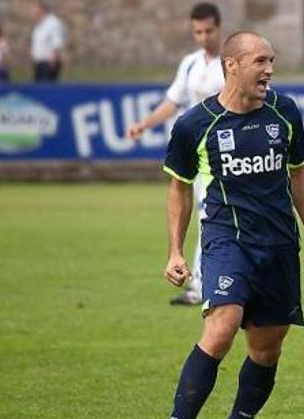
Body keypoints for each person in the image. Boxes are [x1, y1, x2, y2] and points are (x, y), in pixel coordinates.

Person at [151, 30, 304, 419]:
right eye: (260, 61)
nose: (269, 70)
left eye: (271, 61)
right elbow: (179, 189)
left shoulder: (284, 112)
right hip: (226, 242)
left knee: (267, 349)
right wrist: (175, 251)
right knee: (221, 328)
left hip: (279, 246)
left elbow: (298, 174)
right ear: (232, 65)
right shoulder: (196, 123)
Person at [127, 2, 225, 306]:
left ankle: (202, 284)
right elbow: (173, 101)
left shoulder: (231, 62)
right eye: (198, 32)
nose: (204, 37)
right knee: (204, 213)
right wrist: (145, 124)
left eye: (208, 30)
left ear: (219, 28)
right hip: (196, 151)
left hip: (224, 151)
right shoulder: (191, 64)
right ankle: (203, 282)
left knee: (208, 214)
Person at [30, 1, 65, 82]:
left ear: (41, 10)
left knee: (47, 89)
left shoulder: (53, 23)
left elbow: (57, 42)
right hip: (39, 63)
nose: (32, 13)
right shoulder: (39, 25)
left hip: (48, 63)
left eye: (34, 10)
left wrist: (54, 58)